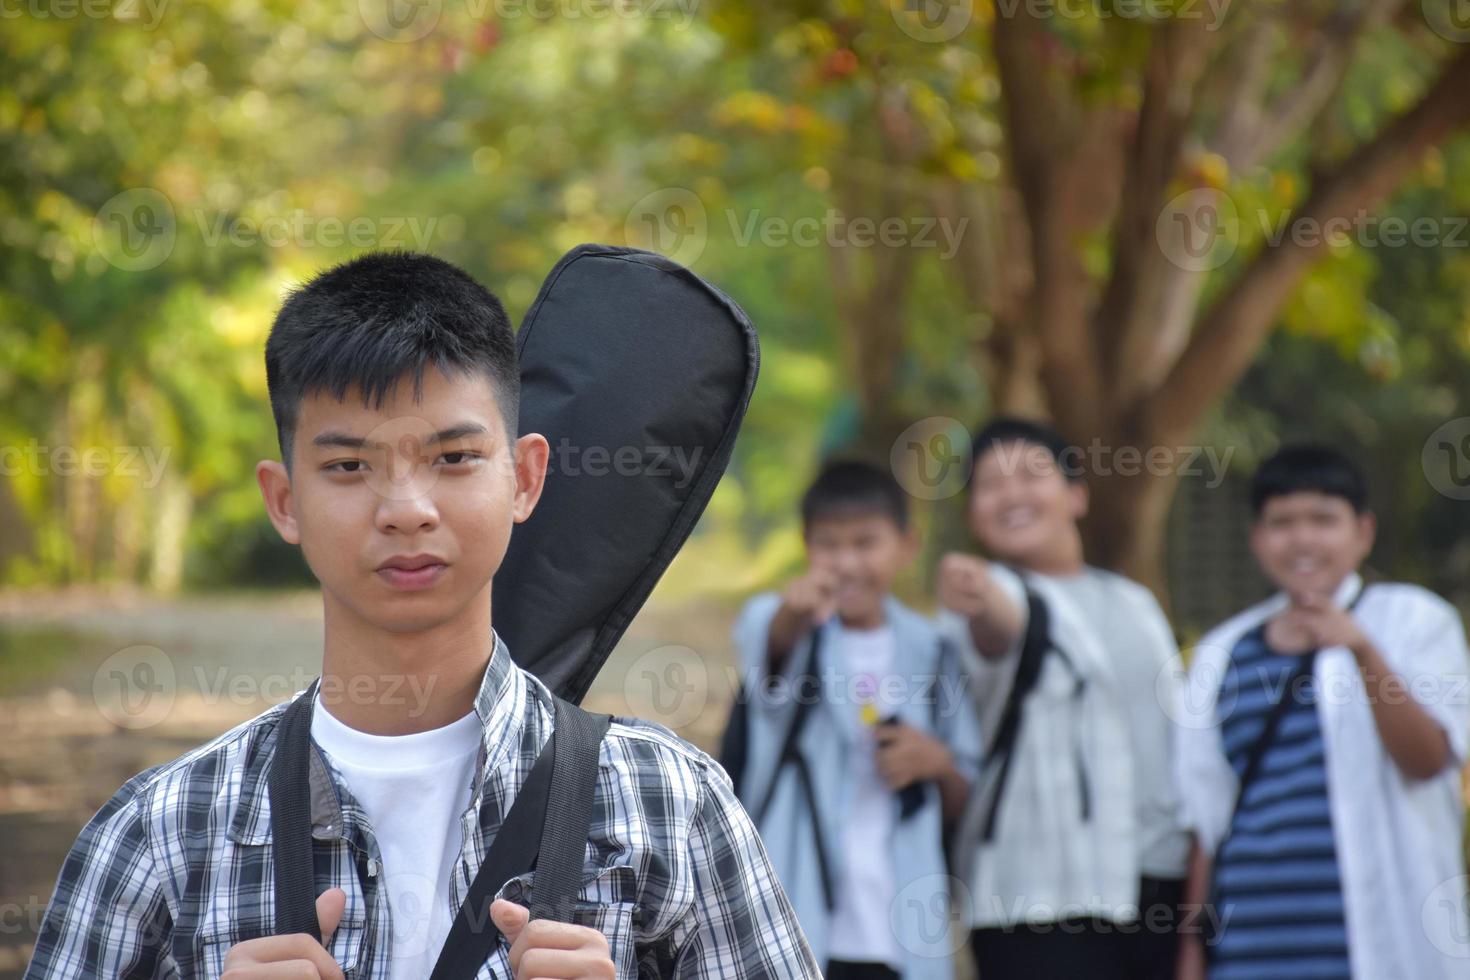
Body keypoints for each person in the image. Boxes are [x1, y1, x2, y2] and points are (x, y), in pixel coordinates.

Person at [25, 252, 820, 980]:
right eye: (348, 466)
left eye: (453, 458)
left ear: (525, 478)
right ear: (284, 499)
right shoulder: (160, 837)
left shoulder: (668, 806)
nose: (406, 509)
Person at [1174, 444, 1470, 980]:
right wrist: (1193, 953)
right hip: (1251, 947)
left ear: (1363, 531)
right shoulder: (1223, 653)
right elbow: (1208, 822)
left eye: (1323, 520)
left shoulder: (1414, 621)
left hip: (1377, 948)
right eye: (1282, 522)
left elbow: (1428, 760)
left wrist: (1363, 651)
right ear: (1257, 539)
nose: (1303, 538)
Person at [934, 417, 1191, 980]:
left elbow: (1179, 742)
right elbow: (1005, 630)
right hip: (1032, 895)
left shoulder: (1135, 604)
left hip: (1154, 885)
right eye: (991, 485)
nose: (1012, 496)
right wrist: (976, 595)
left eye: (1031, 476)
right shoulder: (971, 611)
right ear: (973, 513)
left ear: (1077, 494)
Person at [730, 460, 981, 980]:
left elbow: (966, 789)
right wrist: (795, 613)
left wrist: (937, 762)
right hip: (796, 910)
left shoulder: (935, 651)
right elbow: (768, 657)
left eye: (865, 543)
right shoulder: (782, 621)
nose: (846, 563)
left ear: (907, 545)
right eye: (829, 544)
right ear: (806, 545)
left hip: (903, 927)